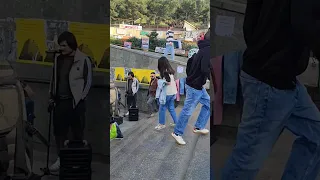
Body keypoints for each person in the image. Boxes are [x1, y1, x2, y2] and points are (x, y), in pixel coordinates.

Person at [221, 0, 320, 179]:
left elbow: (249, 22)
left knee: (316, 137)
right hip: (268, 82)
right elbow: (304, 24)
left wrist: (261, 50)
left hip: (285, 80)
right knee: (246, 163)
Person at [48, 31, 92, 172]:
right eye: (60, 46)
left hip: (75, 102)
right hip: (60, 102)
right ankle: (61, 159)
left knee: (77, 133)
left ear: (72, 45)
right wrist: (51, 95)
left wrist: (81, 98)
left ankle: (75, 161)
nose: (61, 48)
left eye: (64, 45)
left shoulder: (84, 59)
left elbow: (88, 81)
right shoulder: (58, 59)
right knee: (59, 132)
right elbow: (54, 79)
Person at [171, 29, 211, 145]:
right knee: (187, 111)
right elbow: (205, 69)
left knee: (208, 103)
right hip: (194, 87)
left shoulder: (203, 49)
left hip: (197, 85)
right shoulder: (208, 50)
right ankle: (177, 133)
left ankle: (199, 127)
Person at [154, 57, 178, 130]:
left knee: (162, 108)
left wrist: (160, 81)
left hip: (167, 93)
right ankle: (176, 122)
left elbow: (168, 82)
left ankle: (161, 124)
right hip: (173, 92)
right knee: (171, 108)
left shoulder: (165, 72)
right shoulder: (170, 70)